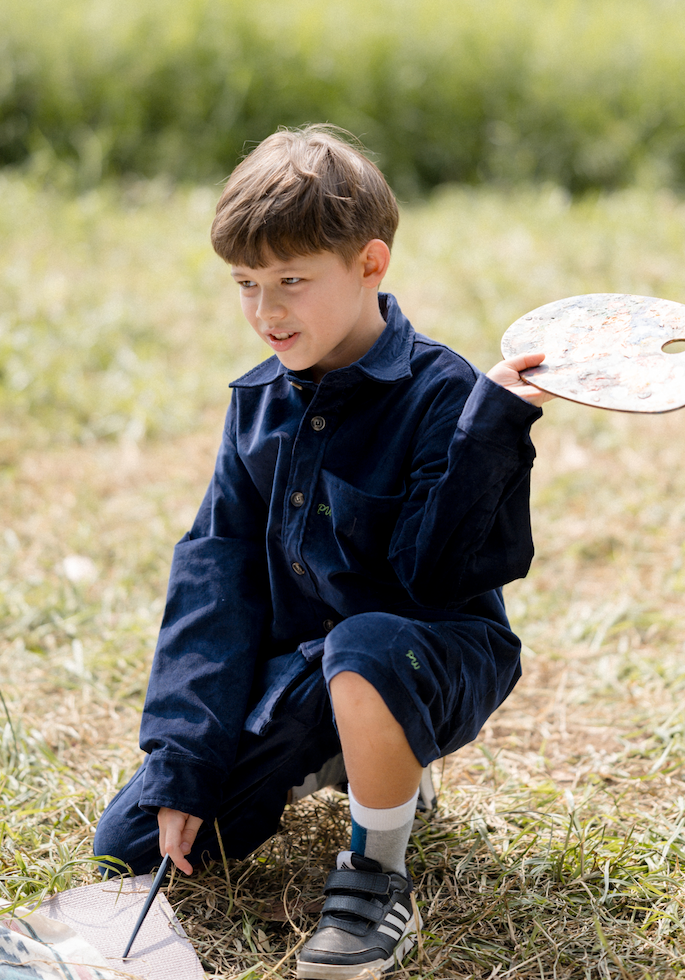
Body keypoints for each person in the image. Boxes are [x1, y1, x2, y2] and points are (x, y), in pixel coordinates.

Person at [94, 124, 552, 978]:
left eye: (292, 281)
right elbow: (215, 576)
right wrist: (185, 758)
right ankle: (346, 745)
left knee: (364, 646)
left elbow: (434, 578)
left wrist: (490, 432)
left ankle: (377, 870)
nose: (267, 311)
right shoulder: (255, 405)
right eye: (246, 284)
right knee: (134, 844)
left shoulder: (448, 398)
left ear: (370, 265)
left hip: (427, 649)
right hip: (307, 666)